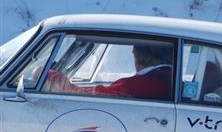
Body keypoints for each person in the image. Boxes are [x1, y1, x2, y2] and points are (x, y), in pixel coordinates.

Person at [45, 44, 173, 100]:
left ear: (140, 59)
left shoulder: (136, 85)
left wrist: (51, 77)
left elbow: (94, 96)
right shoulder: (169, 80)